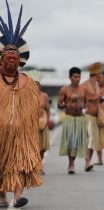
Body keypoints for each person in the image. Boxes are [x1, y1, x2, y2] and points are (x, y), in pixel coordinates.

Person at [0, 1, 42, 208]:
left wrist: (29, 129)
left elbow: (36, 109)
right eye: (7, 58)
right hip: (0, 134)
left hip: (21, 136)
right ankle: (2, 196)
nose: (11, 62)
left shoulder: (28, 82)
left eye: (14, 59)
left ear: (20, 61)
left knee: (19, 164)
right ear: (1, 60)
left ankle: (17, 197)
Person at [58, 67, 87, 174]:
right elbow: (59, 104)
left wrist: (82, 105)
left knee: (76, 142)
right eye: (75, 77)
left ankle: (73, 162)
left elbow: (87, 103)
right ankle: (71, 164)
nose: (77, 79)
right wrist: (67, 104)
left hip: (80, 118)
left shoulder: (83, 89)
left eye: (79, 77)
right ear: (70, 77)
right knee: (71, 142)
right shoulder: (64, 89)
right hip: (69, 118)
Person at [81, 62, 102, 171]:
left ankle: (88, 162)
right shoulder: (85, 85)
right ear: (96, 74)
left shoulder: (97, 84)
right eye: (99, 73)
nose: (101, 75)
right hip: (88, 115)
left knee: (94, 141)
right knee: (89, 139)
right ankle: (87, 162)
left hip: (96, 116)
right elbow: (81, 100)